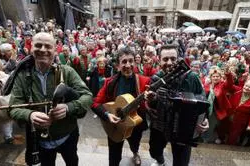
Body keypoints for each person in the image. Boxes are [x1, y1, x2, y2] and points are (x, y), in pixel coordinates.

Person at [8, 32, 92, 166]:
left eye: (48, 46)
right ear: (31, 48)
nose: (42, 50)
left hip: (67, 134)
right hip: (40, 140)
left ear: (54, 50)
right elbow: (13, 108)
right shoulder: (22, 76)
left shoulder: (67, 71)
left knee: (72, 161)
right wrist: (30, 115)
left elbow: (87, 96)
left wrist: (68, 108)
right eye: (38, 45)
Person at [144, 44, 209, 166]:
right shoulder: (156, 78)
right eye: (165, 59)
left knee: (181, 162)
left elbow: (203, 100)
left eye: (173, 59)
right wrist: (151, 100)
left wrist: (204, 119)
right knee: (154, 151)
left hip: (182, 129)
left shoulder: (191, 77)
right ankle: (160, 161)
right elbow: (152, 105)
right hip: (159, 126)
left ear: (179, 59)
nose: (169, 62)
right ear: (159, 60)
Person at [92, 47, 150, 166]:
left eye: (130, 61)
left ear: (135, 62)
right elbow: (95, 103)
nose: (128, 65)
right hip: (115, 125)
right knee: (113, 157)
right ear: (118, 65)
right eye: (124, 62)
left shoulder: (145, 81)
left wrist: (150, 100)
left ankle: (135, 152)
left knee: (135, 143)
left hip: (135, 124)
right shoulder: (110, 82)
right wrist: (107, 115)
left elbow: (152, 105)